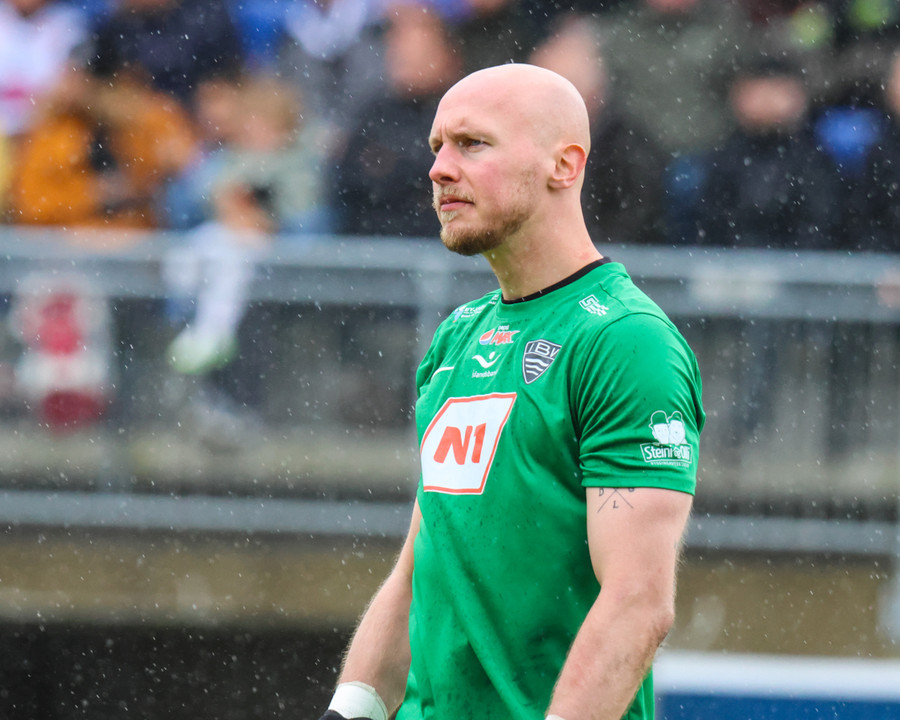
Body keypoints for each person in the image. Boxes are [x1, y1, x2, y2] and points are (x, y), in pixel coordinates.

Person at [316, 63, 704, 720]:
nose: (439, 169)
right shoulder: (457, 337)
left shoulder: (625, 341)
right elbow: (422, 565)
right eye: (437, 146)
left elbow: (638, 604)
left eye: (473, 144)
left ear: (564, 165)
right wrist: (347, 712)